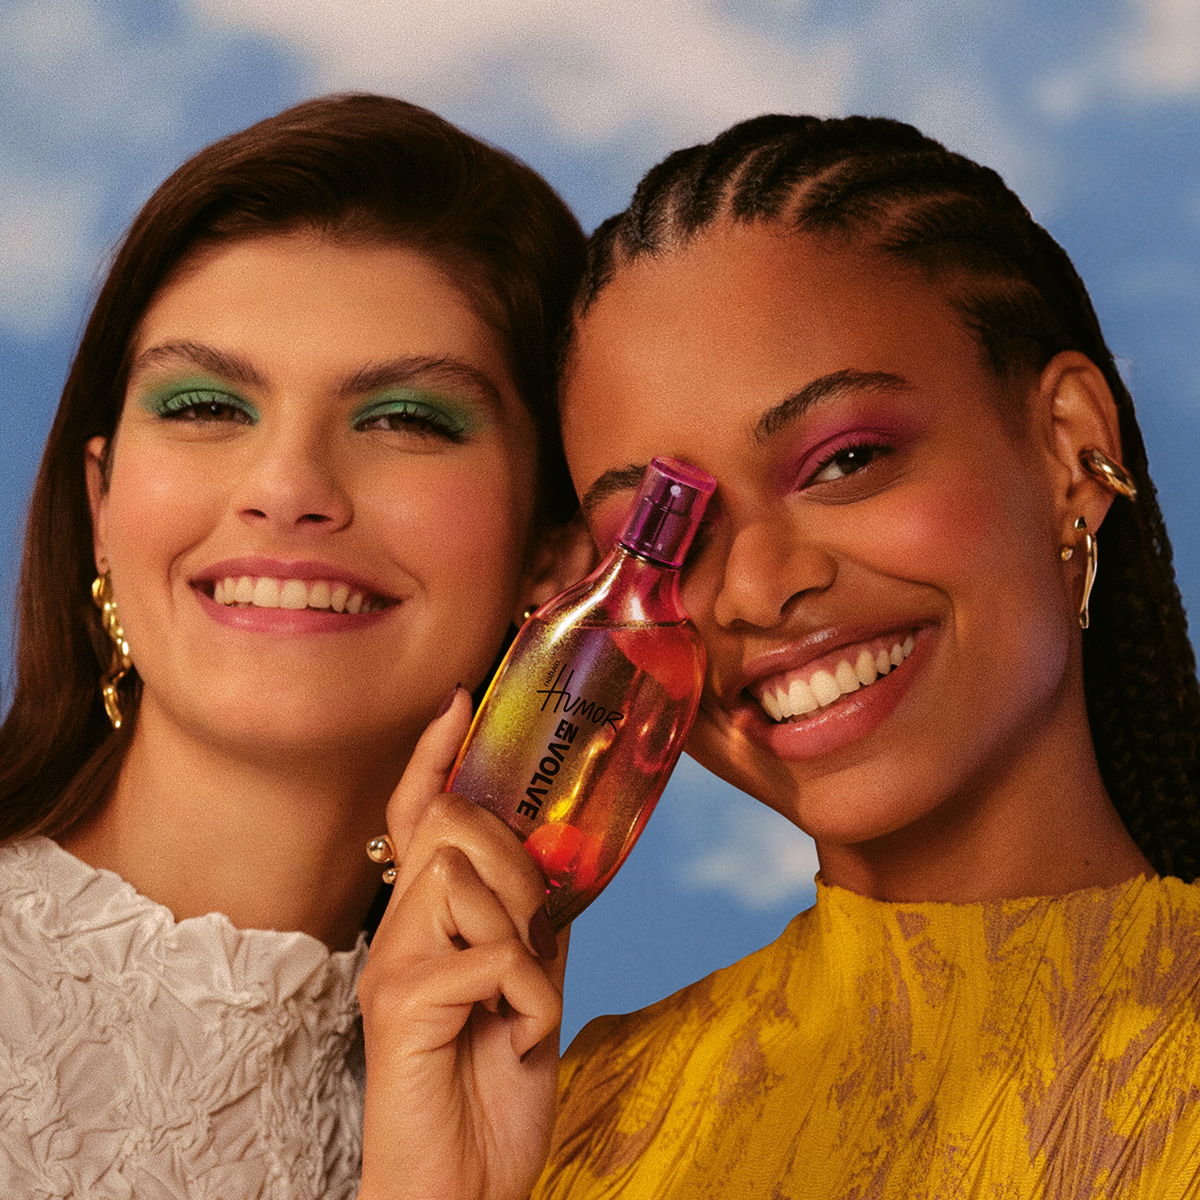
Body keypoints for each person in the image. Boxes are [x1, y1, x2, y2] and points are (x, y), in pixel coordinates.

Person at [526, 116, 1200, 1196]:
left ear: (1072, 450)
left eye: (845, 461)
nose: (755, 588)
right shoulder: (579, 1121)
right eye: (662, 534)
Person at [0, 93, 589, 1199]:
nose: (286, 488)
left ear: (553, 563)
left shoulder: (551, 1127)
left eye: (405, 419)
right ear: (101, 503)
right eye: (205, 405)